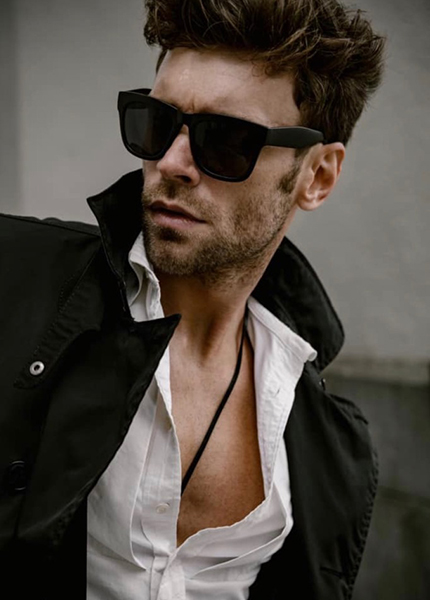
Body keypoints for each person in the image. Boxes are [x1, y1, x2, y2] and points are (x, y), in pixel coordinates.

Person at [0, 0, 385, 598]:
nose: (171, 163)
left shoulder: (331, 448)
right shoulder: (14, 281)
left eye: (227, 141)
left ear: (317, 176)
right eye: (156, 123)